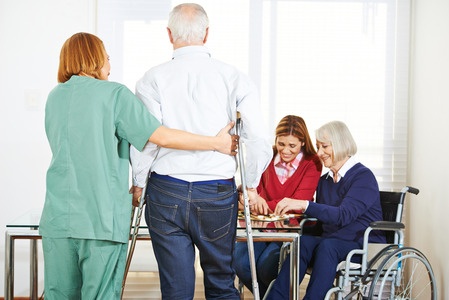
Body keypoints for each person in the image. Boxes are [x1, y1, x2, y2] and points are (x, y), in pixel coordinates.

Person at [39, 32, 239, 300]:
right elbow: (161, 137)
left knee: (59, 295)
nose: (110, 63)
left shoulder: (55, 97)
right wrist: (215, 143)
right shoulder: (113, 94)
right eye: (107, 57)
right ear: (95, 59)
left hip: (57, 218)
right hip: (101, 218)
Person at [129, 3, 273, 299]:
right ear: (206, 34)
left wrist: (139, 182)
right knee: (221, 283)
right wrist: (251, 184)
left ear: (169, 34)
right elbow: (257, 138)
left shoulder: (152, 79)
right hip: (216, 193)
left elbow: (146, 139)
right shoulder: (234, 78)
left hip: (166, 191)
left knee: (176, 288)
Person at [264, 120, 386, 300]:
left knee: (328, 246)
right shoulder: (325, 181)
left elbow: (342, 216)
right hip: (333, 242)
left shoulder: (363, 177)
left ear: (341, 144)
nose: (319, 153)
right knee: (302, 242)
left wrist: (304, 204)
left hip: (362, 245)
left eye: (324, 147)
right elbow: (322, 220)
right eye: (318, 147)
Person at [232, 115, 322, 297]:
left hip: (289, 231)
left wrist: (259, 203)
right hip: (260, 228)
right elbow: (253, 190)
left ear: (303, 142)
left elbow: (298, 203)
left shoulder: (312, 163)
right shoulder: (267, 156)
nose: (285, 151)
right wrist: (250, 199)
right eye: (281, 144)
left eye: (292, 146)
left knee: (266, 268)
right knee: (240, 263)